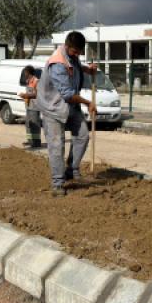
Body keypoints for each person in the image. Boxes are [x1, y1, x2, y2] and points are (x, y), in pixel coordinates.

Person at [35, 31, 97, 196]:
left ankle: (71, 170)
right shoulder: (57, 63)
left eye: (79, 52)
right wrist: (88, 103)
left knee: (82, 136)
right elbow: (68, 94)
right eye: (75, 52)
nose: (77, 55)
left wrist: (87, 70)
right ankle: (58, 183)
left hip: (69, 106)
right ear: (67, 46)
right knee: (57, 145)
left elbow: (75, 67)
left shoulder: (72, 55)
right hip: (53, 108)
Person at [18, 65, 42, 149]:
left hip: (35, 107)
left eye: (25, 72)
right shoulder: (28, 81)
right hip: (28, 106)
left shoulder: (36, 81)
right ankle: (30, 140)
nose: (24, 74)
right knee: (28, 124)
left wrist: (26, 95)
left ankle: (36, 142)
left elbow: (37, 94)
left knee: (35, 125)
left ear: (29, 72)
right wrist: (25, 96)